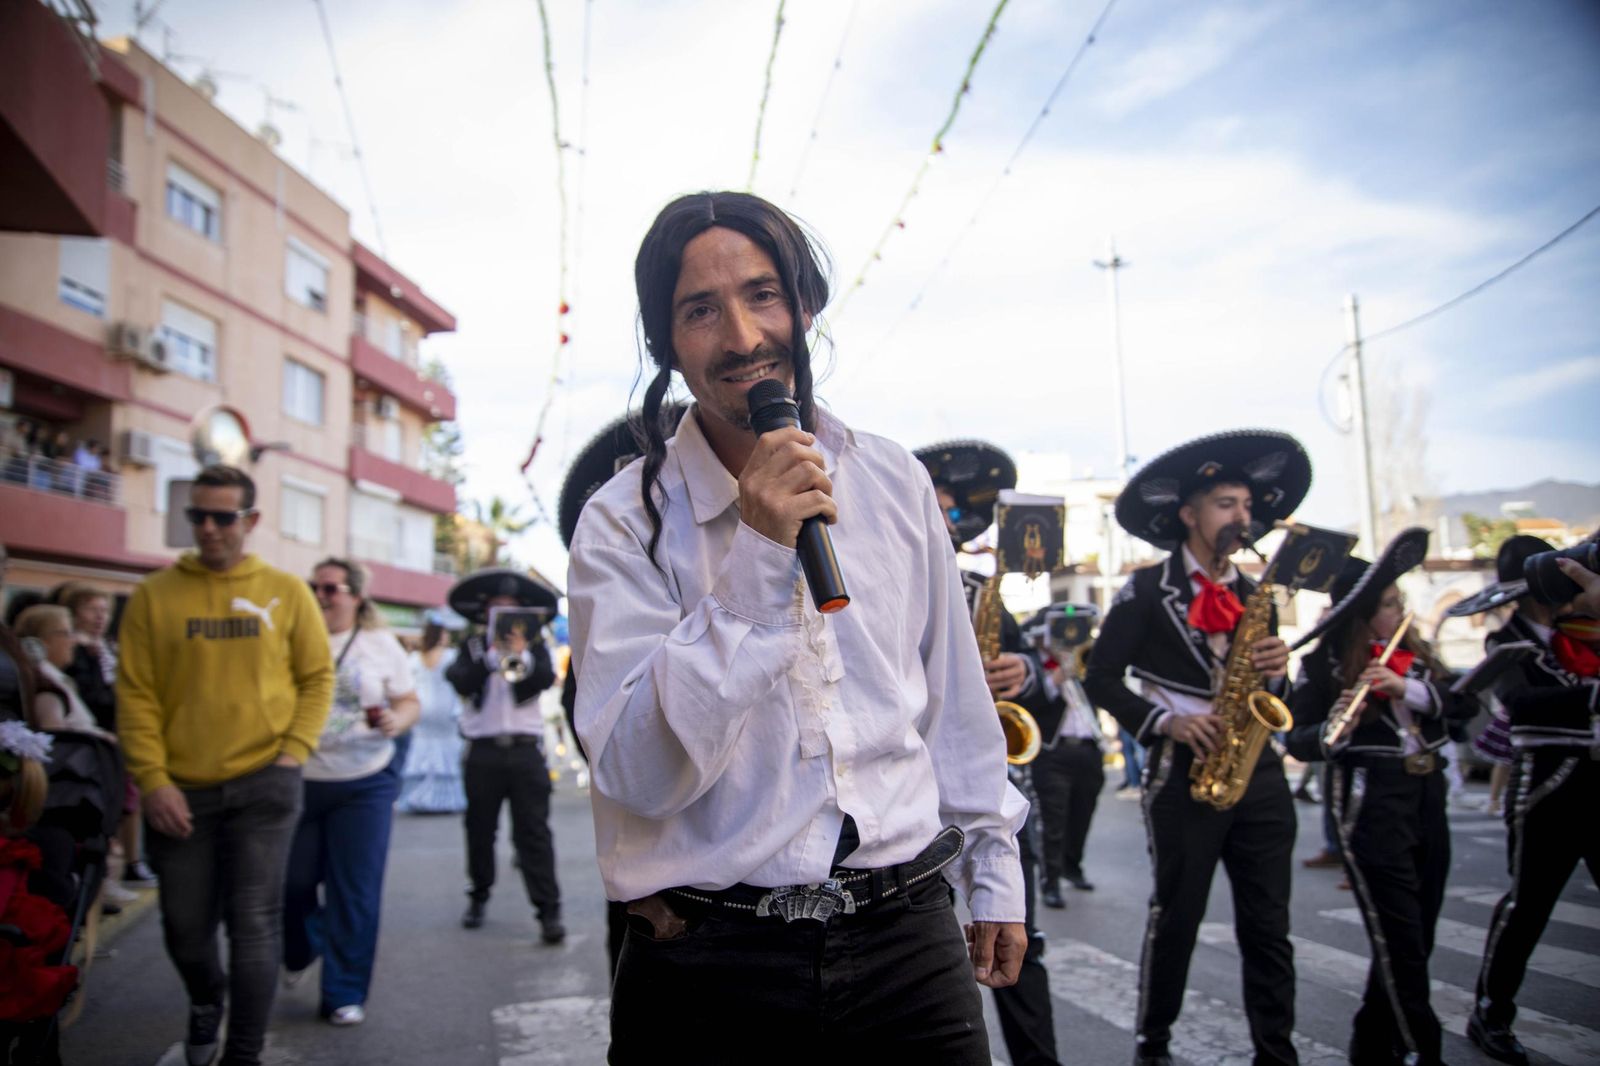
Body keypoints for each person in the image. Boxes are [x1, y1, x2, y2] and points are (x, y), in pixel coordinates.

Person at [568, 191, 1027, 1064]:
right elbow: (638, 772)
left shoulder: (890, 479)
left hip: (907, 940)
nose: (741, 337)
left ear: (806, 308)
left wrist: (994, 868)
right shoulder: (623, 520)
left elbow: (954, 705)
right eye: (700, 310)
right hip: (713, 957)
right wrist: (758, 553)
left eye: (763, 294)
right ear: (667, 342)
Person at [1084, 429, 1310, 1066]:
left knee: (1270, 927)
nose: (1243, 517)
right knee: (1177, 918)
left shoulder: (1254, 594)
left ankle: (1277, 1053)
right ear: (1189, 514)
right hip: (1183, 769)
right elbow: (1100, 678)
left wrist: (1277, 667)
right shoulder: (1146, 590)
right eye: (1226, 505)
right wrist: (1164, 723)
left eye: (1246, 506)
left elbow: (1275, 686)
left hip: (1258, 770)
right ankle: (1153, 1044)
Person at [117, 464, 333, 1066]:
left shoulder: (287, 591)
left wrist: (292, 755)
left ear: (251, 520)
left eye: (222, 517)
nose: (209, 529)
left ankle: (243, 1052)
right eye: (198, 516)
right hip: (181, 790)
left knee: (254, 922)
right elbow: (134, 695)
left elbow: (317, 679)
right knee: (185, 927)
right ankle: (206, 998)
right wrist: (154, 781)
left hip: (266, 781)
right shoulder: (153, 596)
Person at [1284, 528, 1464, 1066]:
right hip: (1370, 802)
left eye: (1398, 600)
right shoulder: (1323, 665)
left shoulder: (1416, 654)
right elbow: (1296, 737)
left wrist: (1406, 689)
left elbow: (1462, 707)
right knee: (1401, 943)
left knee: (1417, 936)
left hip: (1427, 795)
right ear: (1362, 613)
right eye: (1388, 604)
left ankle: (1370, 1047)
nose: (1399, 609)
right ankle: (1424, 1052)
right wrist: (1338, 724)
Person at [916, 439, 1062, 1066]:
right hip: (906, 798)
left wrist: (1020, 673)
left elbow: (1050, 695)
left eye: (951, 512)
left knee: (1015, 936)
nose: (945, 522)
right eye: (934, 506)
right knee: (920, 955)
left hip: (983, 791)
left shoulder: (985, 589)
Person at [1453, 534, 1598, 1066]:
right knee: (1527, 906)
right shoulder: (1506, 641)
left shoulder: (1583, 630)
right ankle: (1490, 1011)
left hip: (1596, 779)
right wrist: (1591, 695)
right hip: (1546, 786)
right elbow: (1521, 703)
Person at [282, 558, 419, 1027]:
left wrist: (394, 721)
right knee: (291, 882)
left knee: (354, 892)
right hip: (299, 778)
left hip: (365, 781)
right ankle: (302, 945)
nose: (320, 595)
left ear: (355, 596)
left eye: (331, 588)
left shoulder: (380, 645)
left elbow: (408, 703)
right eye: (313, 586)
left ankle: (343, 992)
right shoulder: (290, 636)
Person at [444, 568, 563, 943]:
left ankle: (548, 912)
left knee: (534, 834)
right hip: (482, 753)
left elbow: (543, 680)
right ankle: (478, 894)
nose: (504, 614)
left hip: (526, 751)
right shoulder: (474, 647)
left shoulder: (536, 648)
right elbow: (460, 680)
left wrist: (521, 656)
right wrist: (492, 658)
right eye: (498, 608)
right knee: (480, 830)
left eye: (512, 608)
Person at [59, 583, 158, 889]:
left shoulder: (106, 648)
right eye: (92, 609)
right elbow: (90, 694)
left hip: (117, 735)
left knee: (126, 801)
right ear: (74, 613)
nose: (99, 616)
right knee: (100, 810)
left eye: (104, 610)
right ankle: (102, 876)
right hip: (90, 740)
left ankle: (126, 864)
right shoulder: (75, 649)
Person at [1028, 604, 1106, 906]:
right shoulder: (1036, 664)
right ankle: (1050, 882)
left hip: (1088, 749)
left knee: (1082, 814)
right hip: (1053, 752)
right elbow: (1031, 699)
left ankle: (1072, 866)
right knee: (1052, 820)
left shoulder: (1086, 660)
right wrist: (1059, 675)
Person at [396, 612, 467, 815]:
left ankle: (418, 796)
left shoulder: (416, 658)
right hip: (445, 707)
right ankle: (443, 799)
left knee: (422, 748)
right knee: (445, 749)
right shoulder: (450, 656)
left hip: (422, 707)